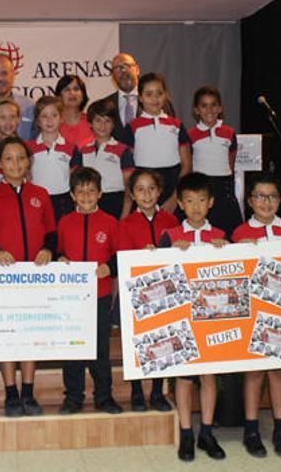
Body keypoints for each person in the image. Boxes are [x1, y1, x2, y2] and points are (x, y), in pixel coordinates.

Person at [0, 137, 56, 416]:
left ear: (28, 162)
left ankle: (28, 392)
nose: (16, 164)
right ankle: (11, 393)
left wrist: (47, 248)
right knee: (8, 336)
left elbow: (51, 232)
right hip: (4, 278)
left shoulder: (41, 194)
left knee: (30, 336)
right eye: (9, 159)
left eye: (21, 158)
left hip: (34, 278)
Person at [231, 172, 281, 458]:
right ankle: (252, 430)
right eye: (260, 196)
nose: (266, 202)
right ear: (250, 201)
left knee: (278, 371)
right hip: (253, 311)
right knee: (254, 371)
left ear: (279, 200)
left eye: (272, 196)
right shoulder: (239, 233)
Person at [165, 172, 228, 462]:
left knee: (208, 377)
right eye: (189, 201)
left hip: (212, 318)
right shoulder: (171, 236)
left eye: (201, 200)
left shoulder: (220, 237)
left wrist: (225, 250)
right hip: (182, 318)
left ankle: (207, 432)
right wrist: (162, 252)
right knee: (184, 379)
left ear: (211, 202)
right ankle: (186, 433)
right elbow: (157, 271)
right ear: (180, 203)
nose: (196, 206)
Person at [56, 167, 122, 415]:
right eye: (80, 192)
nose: (86, 197)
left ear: (100, 193)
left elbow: (119, 256)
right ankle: (73, 397)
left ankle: (104, 396)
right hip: (71, 298)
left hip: (100, 296)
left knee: (100, 349)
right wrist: (59, 258)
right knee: (72, 348)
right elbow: (57, 252)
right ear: (72, 195)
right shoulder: (64, 222)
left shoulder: (110, 223)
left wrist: (109, 267)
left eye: (91, 192)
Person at [117, 168, 178, 412]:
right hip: (136, 294)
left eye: (151, 188)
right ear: (132, 194)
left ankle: (156, 391)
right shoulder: (126, 224)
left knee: (160, 341)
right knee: (136, 342)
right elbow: (123, 259)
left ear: (160, 191)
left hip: (163, 295)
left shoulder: (171, 222)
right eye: (140, 189)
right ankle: (136, 392)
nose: (147, 194)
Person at [128, 72, 191, 214]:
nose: (155, 98)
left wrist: (175, 198)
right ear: (140, 98)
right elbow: (128, 168)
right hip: (144, 189)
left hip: (172, 189)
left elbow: (186, 165)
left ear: (166, 95)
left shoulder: (177, 125)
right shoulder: (132, 127)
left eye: (159, 93)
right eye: (149, 94)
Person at [187, 85, 243, 234]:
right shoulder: (190, 134)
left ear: (220, 108)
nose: (209, 110)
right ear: (196, 110)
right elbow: (189, 163)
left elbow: (230, 163)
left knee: (230, 232)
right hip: (202, 188)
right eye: (204, 106)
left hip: (224, 188)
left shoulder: (229, 133)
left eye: (213, 105)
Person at [27, 96, 82, 222]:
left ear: (61, 118)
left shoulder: (71, 147)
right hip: (37, 200)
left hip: (64, 200)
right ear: (37, 121)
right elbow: (27, 175)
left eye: (54, 115)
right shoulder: (29, 147)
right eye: (44, 116)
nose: (49, 120)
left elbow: (75, 178)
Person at [80, 99, 134, 220]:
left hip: (115, 204)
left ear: (114, 124)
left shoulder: (122, 150)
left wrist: (124, 216)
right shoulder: (83, 151)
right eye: (98, 120)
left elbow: (129, 188)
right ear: (90, 123)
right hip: (89, 203)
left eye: (107, 121)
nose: (102, 125)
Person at [94, 53, 139, 144]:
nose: (123, 70)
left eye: (127, 65)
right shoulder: (105, 104)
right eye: (117, 68)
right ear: (113, 75)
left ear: (137, 70)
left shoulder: (155, 101)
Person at [56, 74, 94, 150]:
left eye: (76, 89)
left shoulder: (93, 121)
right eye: (67, 89)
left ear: (83, 95)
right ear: (59, 96)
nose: (72, 93)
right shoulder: (53, 124)